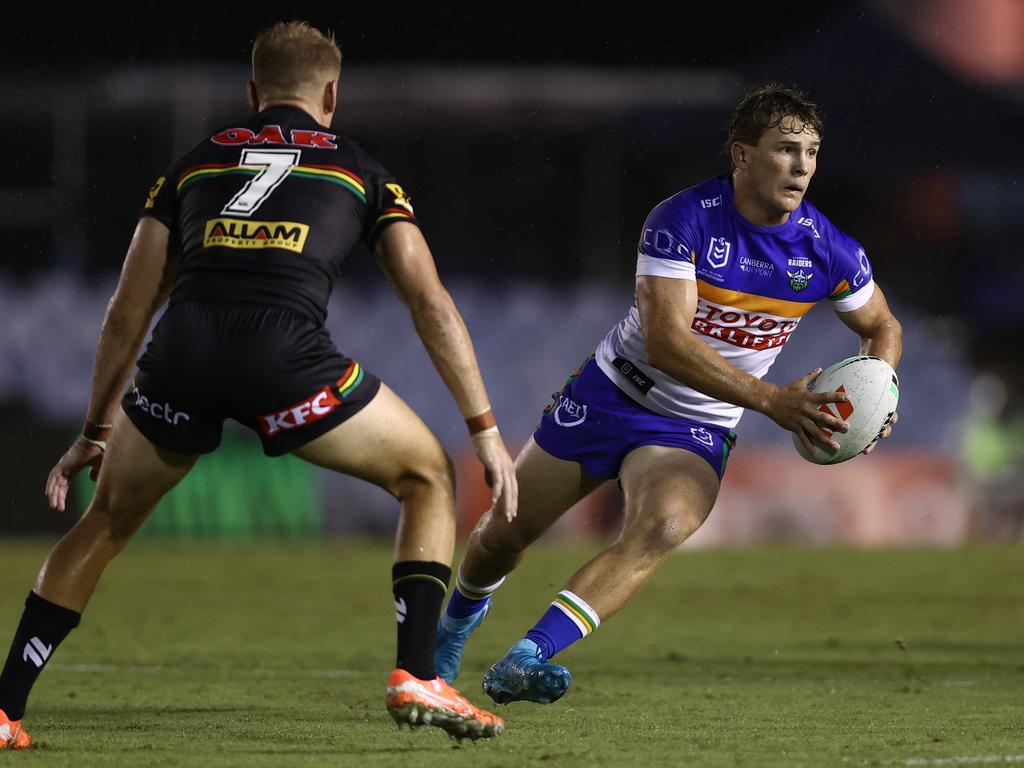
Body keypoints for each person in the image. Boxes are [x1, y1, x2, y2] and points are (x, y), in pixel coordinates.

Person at [0, 21, 516, 748]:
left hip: (181, 357)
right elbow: (429, 301)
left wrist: (95, 429)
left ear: (252, 92)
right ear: (331, 94)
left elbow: (129, 306)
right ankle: (416, 674)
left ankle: (4, 707)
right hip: (286, 360)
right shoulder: (360, 169)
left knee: (105, 523)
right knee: (427, 476)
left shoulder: (192, 165)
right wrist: (483, 429)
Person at [434, 84, 903, 705]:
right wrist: (771, 401)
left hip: (695, 427)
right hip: (612, 395)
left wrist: (879, 391)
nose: (802, 166)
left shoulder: (827, 248)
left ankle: (528, 656)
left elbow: (882, 326)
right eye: (786, 149)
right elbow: (665, 343)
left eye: (812, 152)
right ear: (741, 155)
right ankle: (448, 636)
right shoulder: (683, 219)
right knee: (503, 536)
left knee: (662, 527)